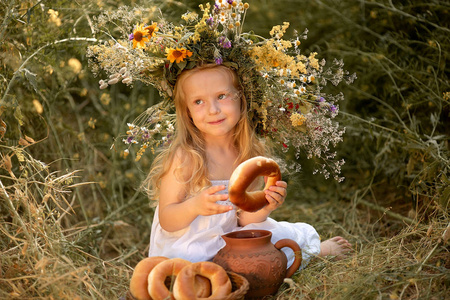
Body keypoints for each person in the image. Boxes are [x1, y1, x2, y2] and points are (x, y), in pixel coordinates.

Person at [145, 64, 351, 267]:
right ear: (187, 111)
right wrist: (194, 206)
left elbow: (242, 219)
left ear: (241, 99)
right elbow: (167, 219)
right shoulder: (186, 156)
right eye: (199, 101)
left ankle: (314, 252)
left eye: (221, 96)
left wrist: (265, 206)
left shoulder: (248, 155)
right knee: (193, 267)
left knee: (275, 238)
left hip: (233, 240)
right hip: (191, 246)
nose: (213, 110)